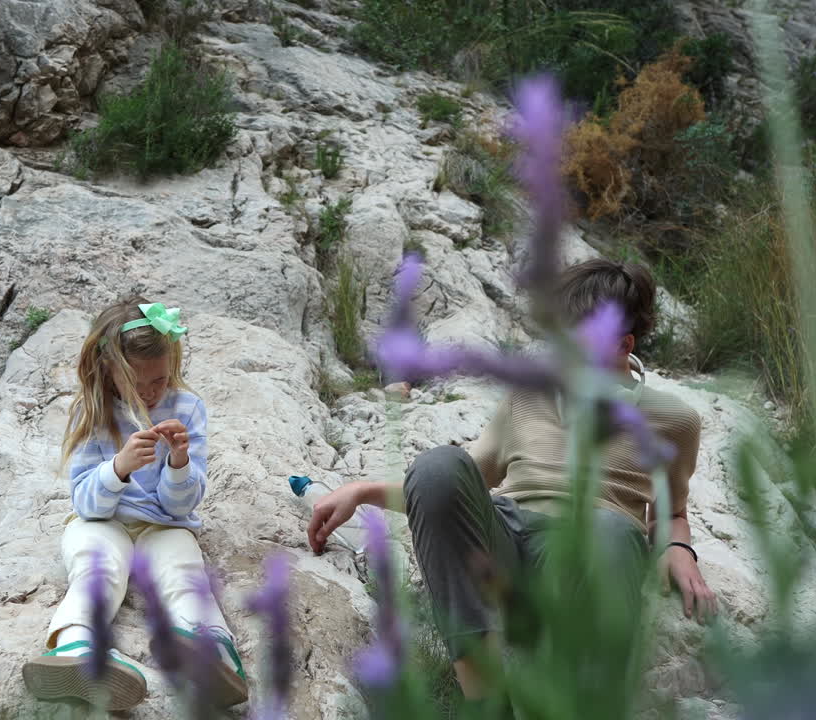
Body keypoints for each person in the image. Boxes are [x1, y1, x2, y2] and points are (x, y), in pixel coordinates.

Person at [306, 259, 719, 701]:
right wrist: (363, 491)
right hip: (507, 538)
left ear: (624, 344)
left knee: (612, 530)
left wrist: (678, 548)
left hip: (590, 550)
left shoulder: (675, 421)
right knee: (436, 464)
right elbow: (454, 491)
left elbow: (671, 511)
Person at [22, 300, 247, 711]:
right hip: (101, 522)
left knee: (183, 572)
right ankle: (76, 647)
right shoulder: (93, 412)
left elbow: (181, 506)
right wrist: (119, 467)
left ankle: (210, 651)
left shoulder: (187, 409)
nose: (150, 392)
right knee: (98, 570)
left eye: (159, 380)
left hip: (165, 524)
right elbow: (87, 503)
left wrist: (179, 462)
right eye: (137, 383)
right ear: (108, 370)